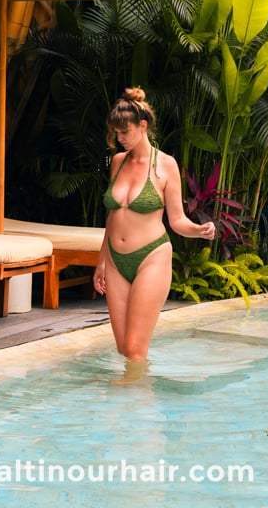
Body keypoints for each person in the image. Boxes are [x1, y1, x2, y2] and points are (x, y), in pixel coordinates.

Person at [94, 87, 214, 377]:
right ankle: (133, 407)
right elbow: (114, 215)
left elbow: (177, 220)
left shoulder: (166, 165)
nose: (119, 138)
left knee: (136, 349)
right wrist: (101, 260)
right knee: (124, 349)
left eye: (124, 132)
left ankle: (140, 411)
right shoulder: (118, 163)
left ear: (143, 125)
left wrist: (198, 230)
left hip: (151, 257)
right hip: (115, 261)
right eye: (115, 133)